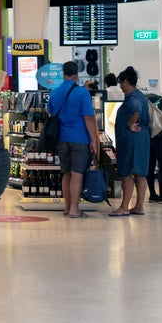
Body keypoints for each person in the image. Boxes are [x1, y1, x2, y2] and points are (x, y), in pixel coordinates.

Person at [50, 61, 98, 218]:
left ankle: (67, 207)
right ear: (77, 75)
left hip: (61, 139)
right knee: (77, 173)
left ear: (63, 74)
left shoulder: (55, 92)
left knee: (66, 173)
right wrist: (93, 140)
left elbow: (51, 112)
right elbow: (89, 118)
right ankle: (74, 210)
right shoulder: (82, 93)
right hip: (79, 138)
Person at [109, 66, 150, 216]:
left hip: (130, 140)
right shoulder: (140, 95)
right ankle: (139, 206)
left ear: (126, 82)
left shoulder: (132, 98)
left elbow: (136, 110)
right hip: (141, 139)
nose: (120, 86)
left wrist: (130, 124)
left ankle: (124, 206)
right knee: (140, 173)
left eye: (121, 83)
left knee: (126, 172)